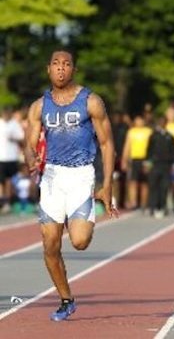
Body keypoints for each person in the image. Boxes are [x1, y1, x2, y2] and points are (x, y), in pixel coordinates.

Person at [24, 49, 117, 321]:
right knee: (50, 245)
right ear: (48, 70)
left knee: (79, 242)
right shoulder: (39, 106)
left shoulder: (91, 101)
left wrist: (106, 184)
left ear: (73, 70)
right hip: (52, 178)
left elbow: (107, 143)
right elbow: (30, 146)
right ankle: (66, 300)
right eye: (56, 64)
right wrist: (31, 160)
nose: (61, 68)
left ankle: (76, 217)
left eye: (66, 64)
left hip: (80, 175)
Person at [146, 116, 174, 219]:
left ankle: (162, 207)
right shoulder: (153, 136)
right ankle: (153, 207)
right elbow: (149, 150)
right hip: (155, 164)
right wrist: (147, 163)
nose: (162, 123)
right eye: (160, 122)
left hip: (166, 165)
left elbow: (173, 151)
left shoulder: (170, 136)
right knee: (153, 185)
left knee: (164, 186)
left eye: (164, 122)